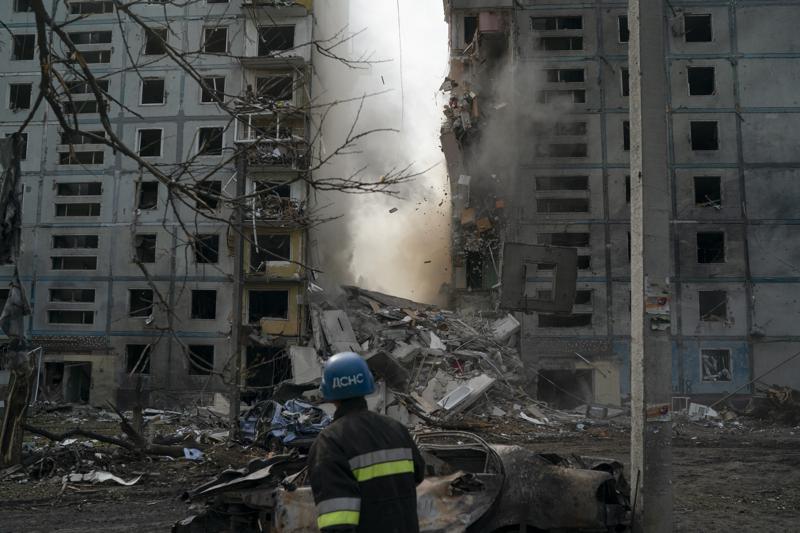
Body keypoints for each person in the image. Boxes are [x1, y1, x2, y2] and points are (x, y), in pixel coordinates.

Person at [308, 352, 426, 532]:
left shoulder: (330, 442)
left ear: (329, 393)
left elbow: (336, 520)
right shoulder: (397, 429)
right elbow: (418, 474)